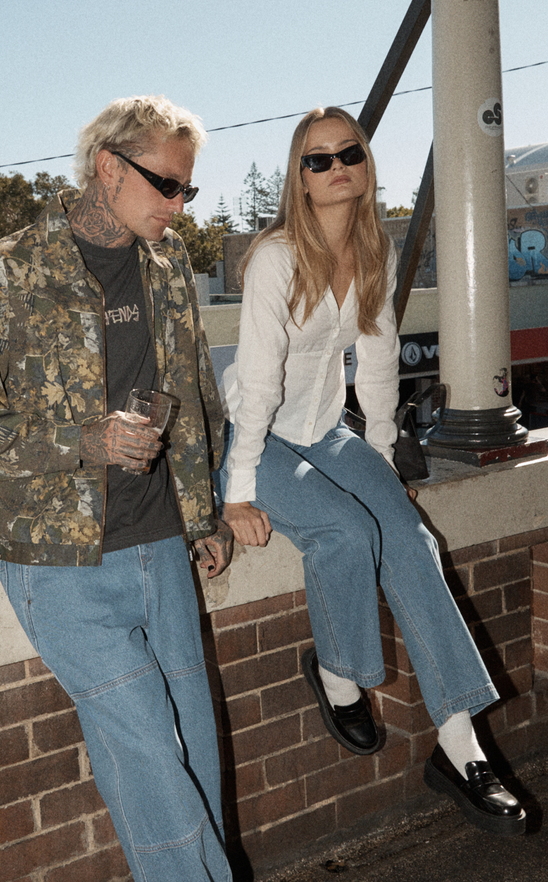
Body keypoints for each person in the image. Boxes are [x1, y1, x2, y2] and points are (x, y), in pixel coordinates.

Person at [0, 96, 234, 882]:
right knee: (152, 759)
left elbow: (196, 393)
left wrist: (204, 513)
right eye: (167, 184)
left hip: (161, 545)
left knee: (193, 753)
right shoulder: (7, 270)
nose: (178, 205)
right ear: (108, 167)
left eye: (187, 190)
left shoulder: (168, 267)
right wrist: (85, 441)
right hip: (57, 565)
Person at [216, 106, 526, 837]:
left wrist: (381, 464)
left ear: (365, 163)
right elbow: (255, 384)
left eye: (347, 153)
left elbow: (379, 363)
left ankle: (461, 746)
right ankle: (337, 673)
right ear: (299, 177)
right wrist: (236, 493)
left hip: (329, 434)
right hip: (260, 440)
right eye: (316, 159)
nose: (335, 168)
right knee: (346, 535)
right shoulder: (275, 259)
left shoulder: (374, 250)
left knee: (411, 540)